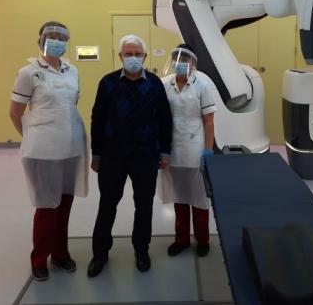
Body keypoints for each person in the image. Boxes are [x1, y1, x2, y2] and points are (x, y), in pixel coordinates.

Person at [9, 21, 89, 281]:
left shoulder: (72, 70)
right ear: (40, 40)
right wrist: (32, 136)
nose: (56, 40)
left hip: (71, 145)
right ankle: (39, 259)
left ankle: (60, 253)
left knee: (64, 202)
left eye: (62, 37)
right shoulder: (28, 72)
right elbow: (15, 112)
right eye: (51, 36)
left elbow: (71, 104)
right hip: (43, 150)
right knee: (46, 205)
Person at [88, 34, 172, 277]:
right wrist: (96, 154)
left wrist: (164, 151)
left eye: (137, 54)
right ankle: (100, 253)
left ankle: (141, 250)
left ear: (145, 57)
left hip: (146, 157)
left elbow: (165, 120)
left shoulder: (155, 84)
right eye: (128, 54)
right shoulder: (107, 83)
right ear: (120, 56)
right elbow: (97, 119)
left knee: (143, 206)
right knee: (107, 205)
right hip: (113, 157)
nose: (133, 58)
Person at [158, 43, 217, 257]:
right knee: (180, 196)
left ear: (192, 63)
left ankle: (203, 239)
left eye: (185, 60)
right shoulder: (165, 86)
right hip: (173, 149)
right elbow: (160, 119)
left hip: (195, 149)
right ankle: (181, 239)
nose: (180, 63)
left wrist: (208, 151)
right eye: (176, 59)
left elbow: (209, 121)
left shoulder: (201, 86)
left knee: (199, 198)